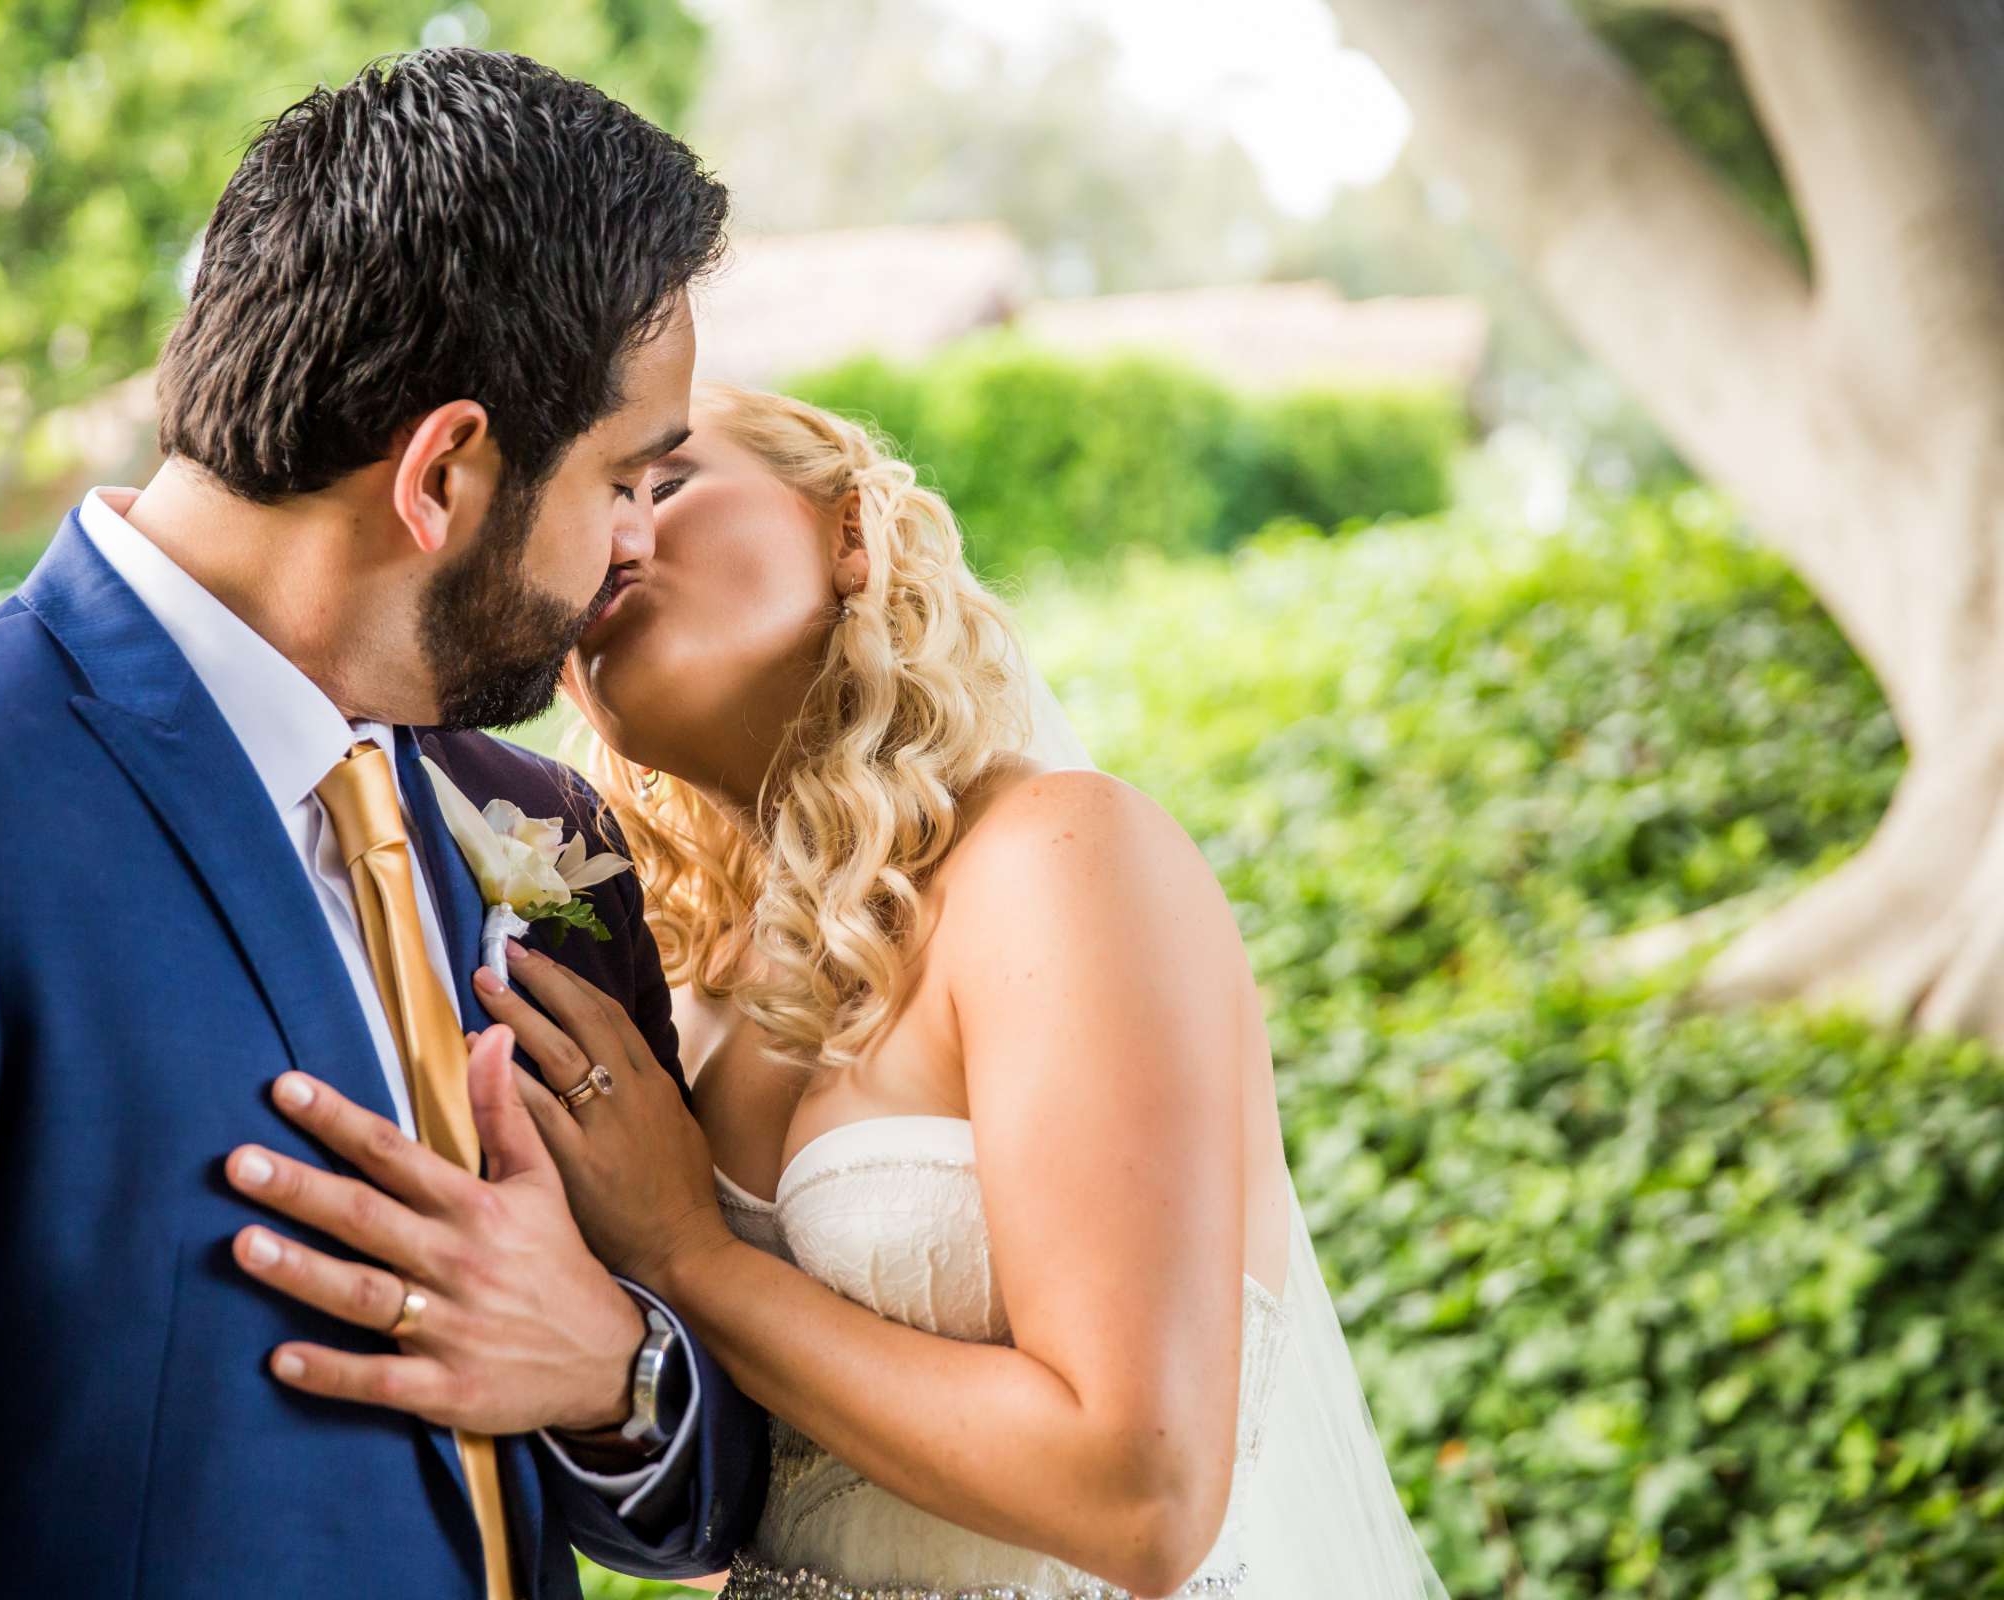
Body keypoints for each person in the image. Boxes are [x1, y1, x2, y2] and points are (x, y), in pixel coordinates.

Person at [0, 52, 766, 1599]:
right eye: (626, 479)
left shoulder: (535, 827)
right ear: (442, 474)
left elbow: (695, 1496)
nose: (634, 547)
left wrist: (617, 1367)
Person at [253, 385, 1451, 1596]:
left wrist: (688, 1253)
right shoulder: (672, 987)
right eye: (588, 516)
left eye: (662, 485)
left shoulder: (1057, 858)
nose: (618, 536)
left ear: (850, 532)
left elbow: (1141, 1494)